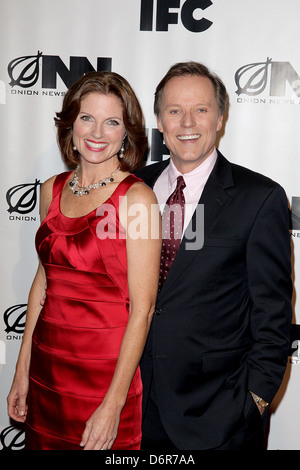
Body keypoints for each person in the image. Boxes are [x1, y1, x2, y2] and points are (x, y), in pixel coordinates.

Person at [135, 61, 293, 450]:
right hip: (134, 410)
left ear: (220, 118)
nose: (187, 121)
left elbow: (273, 317)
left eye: (201, 109)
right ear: (159, 121)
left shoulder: (260, 198)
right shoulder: (134, 187)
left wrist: (253, 401)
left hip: (220, 418)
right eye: (174, 110)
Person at [7, 71, 161, 450]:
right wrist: (22, 368)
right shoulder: (51, 190)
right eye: (87, 118)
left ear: (126, 133)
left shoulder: (137, 200)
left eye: (112, 122)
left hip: (104, 375)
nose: (97, 132)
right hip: (47, 372)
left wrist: (114, 402)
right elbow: (43, 282)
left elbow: (143, 309)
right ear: (70, 123)